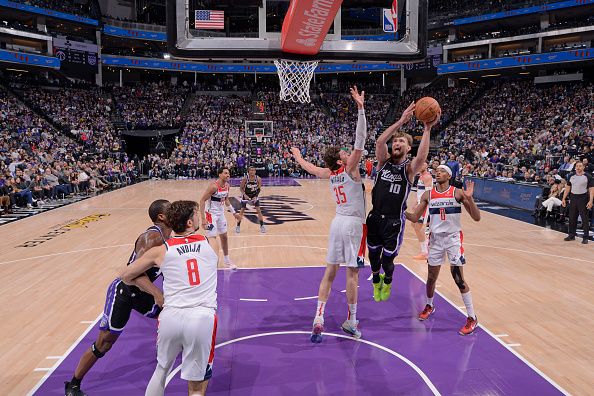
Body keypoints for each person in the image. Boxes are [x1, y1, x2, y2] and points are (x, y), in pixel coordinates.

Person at [65, 200, 172, 396]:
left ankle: (164, 344)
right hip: (124, 292)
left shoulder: (168, 237)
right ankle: (73, 384)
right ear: (161, 217)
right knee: (105, 342)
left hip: (143, 293)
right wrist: (158, 293)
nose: (175, 210)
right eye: (170, 208)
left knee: (172, 315)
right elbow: (131, 275)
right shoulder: (151, 237)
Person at [290, 86, 367, 342]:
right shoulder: (349, 169)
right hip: (354, 224)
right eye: (344, 154)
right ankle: (352, 321)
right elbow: (360, 141)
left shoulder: (329, 174)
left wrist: (298, 157)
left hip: (336, 223)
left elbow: (312, 168)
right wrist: (360, 109)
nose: (348, 153)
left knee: (329, 273)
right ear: (339, 161)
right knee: (352, 274)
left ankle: (319, 317)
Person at [121, 200, 219, 396]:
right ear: (190, 223)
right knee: (197, 386)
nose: (199, 217)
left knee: (161, 370)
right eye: (196, 215)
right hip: (201, 317)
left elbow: (126, 276)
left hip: (171, 316)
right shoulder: (210, 243)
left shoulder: (160, 251)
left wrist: (156, 293)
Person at [367, 102, 441, 303]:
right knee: (373, 256)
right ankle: (376, 280)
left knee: (387, 259)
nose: (397, 143)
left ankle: (388, 279)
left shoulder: (409, 170)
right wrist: (400, 120)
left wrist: (427, 129)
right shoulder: (383, 162)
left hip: (394, 221)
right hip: (374, 217)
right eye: (396, 141)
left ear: (408, 148)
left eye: (402, 142)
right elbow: (380, 141)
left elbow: (422, 156)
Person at [405, 165, 481, 335]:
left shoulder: (458, 193)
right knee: (431, 277)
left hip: (453, 239)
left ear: (449, 175)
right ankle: (430, 305)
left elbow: (477, 217)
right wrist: (400, 209)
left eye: (441, 171)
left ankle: (472, 317)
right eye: (436, 170)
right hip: (436, 240)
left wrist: (470, 199)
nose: (437, 172)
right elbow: (415, 217)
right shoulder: (428, 194)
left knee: (459, 279)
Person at [199, 167, 241, 269]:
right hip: (210, 215)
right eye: (225, 173)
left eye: (229, 174)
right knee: (212, 238)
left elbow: (226, 200)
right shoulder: (213, 186)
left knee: (224, 237)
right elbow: (202, 201)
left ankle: (227, 260)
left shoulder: (227, 186)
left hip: (221, 214)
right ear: (220, 174)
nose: (228, 175)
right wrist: (203, 218)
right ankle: (211, 261)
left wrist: (234, 213)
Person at [562, 161, 594, 244]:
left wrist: (590, 200)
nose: (578, 167)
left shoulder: (588, 176)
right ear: (575, 167)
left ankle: (585, 237)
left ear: (583, 167)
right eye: (577, 166)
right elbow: (568, 187)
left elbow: (591, 189)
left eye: (580, 166)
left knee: (584, 218)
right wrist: (563, 198)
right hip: (573, 197)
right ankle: (571, 235)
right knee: (572, 217)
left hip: (583, 198)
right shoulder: (571, 175)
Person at [410, 162, 433, 260]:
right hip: (420, 204)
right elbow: (420, 191)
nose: (420, 166)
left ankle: (425, 252)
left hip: (424, 205)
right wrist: (416, 203)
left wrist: (421, 205)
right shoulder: (420, 177)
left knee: (418, 227)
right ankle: (428, 242)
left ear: (426, 166)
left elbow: (428, 193)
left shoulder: (427, 177)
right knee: (414, 224)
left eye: (422, 164)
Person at [235, 166, 266, 234]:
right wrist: (244, 195)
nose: (252, 171)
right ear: (248, 171)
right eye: (251, 170)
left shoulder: (258, 179)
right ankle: (238, 226)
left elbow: (259, 189)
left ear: (255, 171)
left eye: (253, 170)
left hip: (254, 195)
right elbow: (241, 188)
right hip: (246, 194)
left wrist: (255, 196)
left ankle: (262, 225)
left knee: (258, 210)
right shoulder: (245, 178)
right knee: (242, 210)